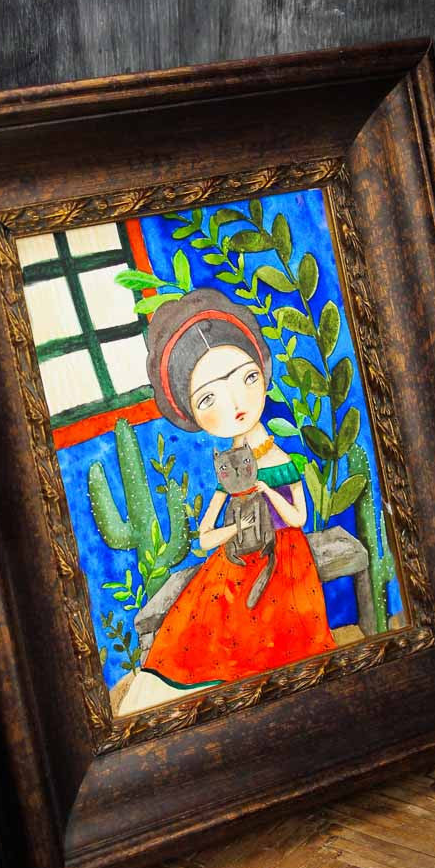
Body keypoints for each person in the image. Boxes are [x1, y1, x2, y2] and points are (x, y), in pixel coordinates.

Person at [118, 289, 335, 715]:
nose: (234, 403)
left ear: (263, 374)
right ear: (193, 416)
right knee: (201, 621)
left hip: (284, 557)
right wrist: (236, 528)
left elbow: (298, 518)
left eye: (246, 378)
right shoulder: (227, 472)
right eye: (208, 399)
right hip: (234, 560)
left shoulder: (283, 462)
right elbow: (203, 540)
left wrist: (265, 493)